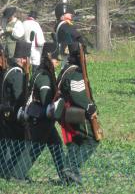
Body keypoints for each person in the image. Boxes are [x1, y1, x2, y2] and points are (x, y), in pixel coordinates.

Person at [23, 42, 77, 184]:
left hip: (44, 121)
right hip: (40, 119)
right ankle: (17, 175)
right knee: (34, 149)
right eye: (55, 59)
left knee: (56, 146)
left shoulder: (43, 72)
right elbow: (46, 100)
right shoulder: (44, 77)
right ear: (49, 58)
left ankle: (65, 177)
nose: (57, 63)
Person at [52, 42, 100, 184]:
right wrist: (90, 107)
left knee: (77, 141)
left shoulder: (67, 69)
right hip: (78, 112)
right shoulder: (76, 72)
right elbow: (77, 94)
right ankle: (71, 168)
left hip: (68, 112)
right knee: (92, 140)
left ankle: (69, 175)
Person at [0, 41, 31, 179]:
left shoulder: (9, 70)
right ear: (24, 59)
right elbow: (19, 98)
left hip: (6, 113)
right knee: (17, 147)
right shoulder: (17, 74)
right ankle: (11, 173)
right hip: (12, 116)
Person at [54, 1, 84, 69]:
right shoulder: (65, 24)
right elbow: (75, 34)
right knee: (70, 69)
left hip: (66, 50)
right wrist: (82, 41)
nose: (71, 14)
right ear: (63, 15)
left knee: (65, 67)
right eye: (68, 13)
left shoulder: (61, 24)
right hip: (69, 50)